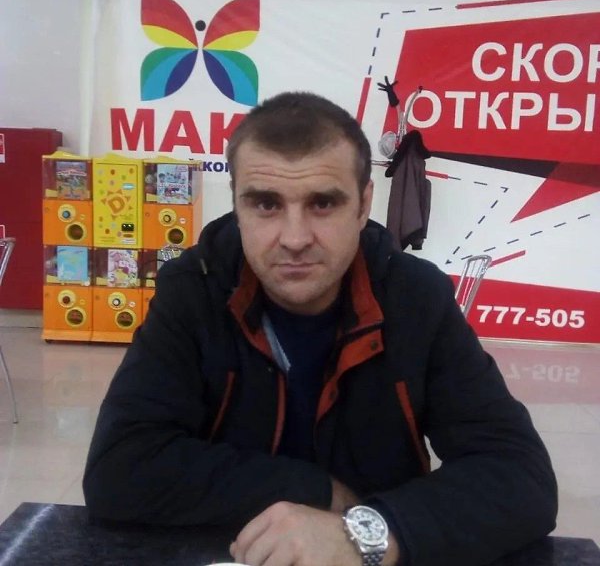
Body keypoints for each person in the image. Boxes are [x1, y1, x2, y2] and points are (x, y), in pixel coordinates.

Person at [83, 91, 558, 566]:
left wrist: (367, 532)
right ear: (237, 206)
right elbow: (118, 469)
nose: (294, 238)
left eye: (323, 203)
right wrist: (317, 491)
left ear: (363, 205)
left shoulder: (416, 299)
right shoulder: (193, 291)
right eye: (266, 204)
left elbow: (522, 477)